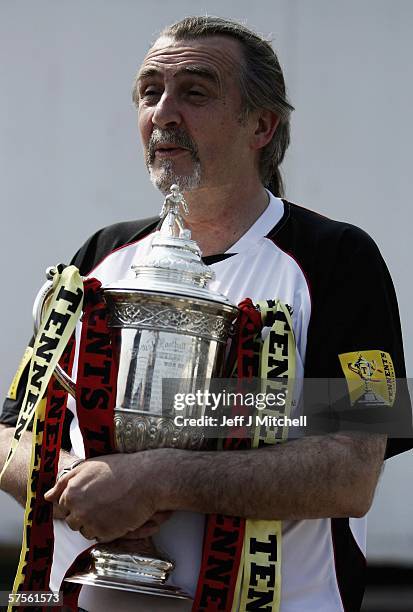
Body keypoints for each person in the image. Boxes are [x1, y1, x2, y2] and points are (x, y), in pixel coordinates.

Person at [0, 15, 411, 612]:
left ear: (262, 126)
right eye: (149, 92)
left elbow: (354, 469)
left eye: (195, 92)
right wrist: (84, 489)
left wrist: (157, 480)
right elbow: (12, 431)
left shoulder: (340, 261)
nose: (164, 112)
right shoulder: (97, 258)